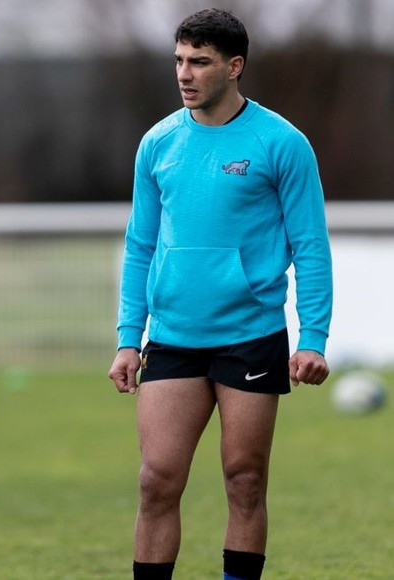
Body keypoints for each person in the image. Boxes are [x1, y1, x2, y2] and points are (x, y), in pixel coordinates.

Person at [107, 9, 332, 580]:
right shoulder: (158, 143)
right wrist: (129, 338)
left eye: (200, 62)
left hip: (251, 336)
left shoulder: (281, 143)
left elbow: (310, 246)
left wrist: (313, 337)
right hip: (174, 337)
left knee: (245, 480)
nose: (185, 73)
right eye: (180, 60)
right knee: (156, 480)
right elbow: (140, 245)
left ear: (234, 67)